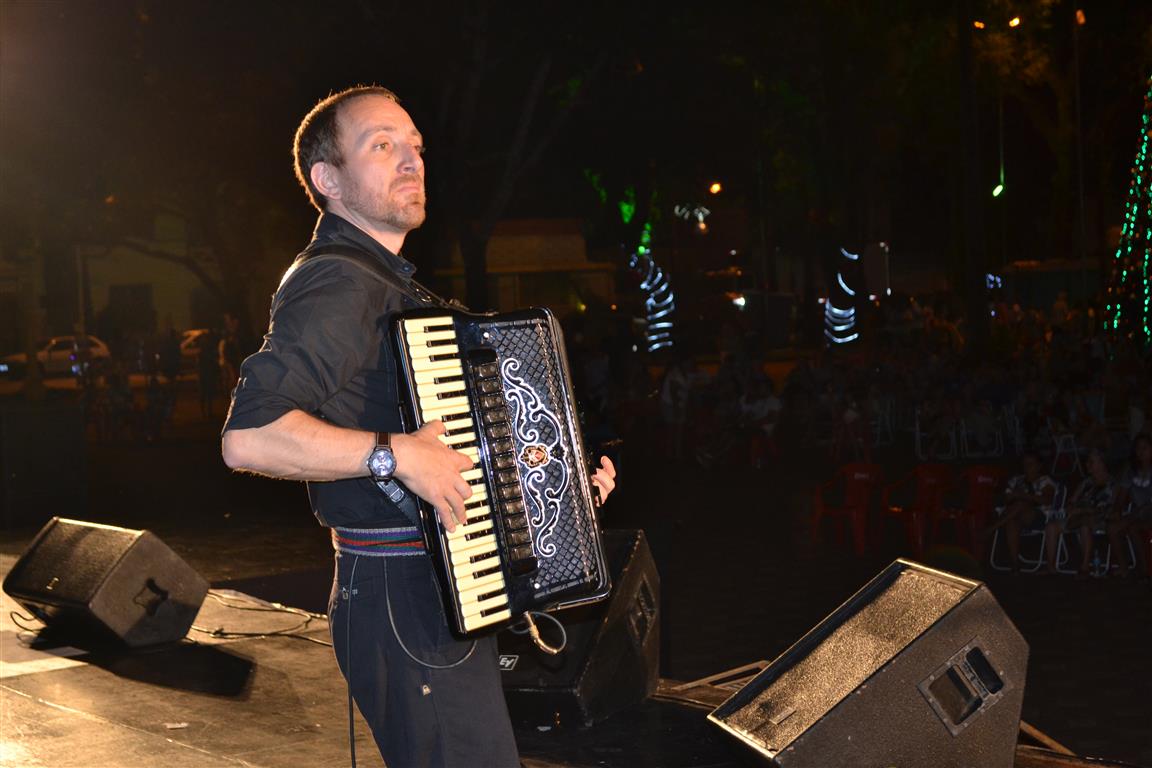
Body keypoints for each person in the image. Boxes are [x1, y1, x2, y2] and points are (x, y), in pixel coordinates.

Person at [220, 86, 617, 768]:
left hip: (432, 586)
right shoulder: (340, 283)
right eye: (382, 145)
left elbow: (439, 448)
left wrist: (548, 496)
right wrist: (392, 456)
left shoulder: (387, 286)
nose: (411, 160)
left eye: (415, 146)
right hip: (400, 591)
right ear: (329, 180)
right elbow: (248, 437)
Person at [1000, 451, 1058, 572]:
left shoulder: (1045, 481)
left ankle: (992, 528)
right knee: (1012, 522)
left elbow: (1047, 500)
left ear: (1039, 466)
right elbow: (1006, 497)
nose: (1027, 467)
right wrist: (1018, 496)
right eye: (1025, 464)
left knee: (1021, 505)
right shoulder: (1017, 480)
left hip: (1039, 517)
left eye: (1031, 464)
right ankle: (1015, 564)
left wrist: (1023, 495)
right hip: (1016, 515)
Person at [1109, 433, 1152, 578]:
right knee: (1113, 528)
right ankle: (1124, 568)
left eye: (1145, 448)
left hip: (1147, 512)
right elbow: (1121, 496)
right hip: (1137, 513)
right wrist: (1117, 510)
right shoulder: (1131, 472)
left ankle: (1145, 569)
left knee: (1135, 528)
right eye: (1138, 448)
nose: (1140, 451)